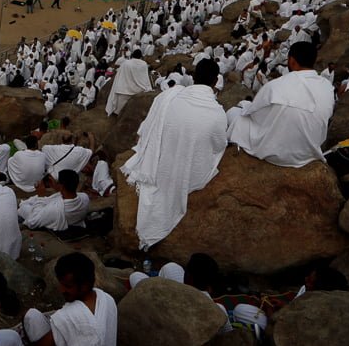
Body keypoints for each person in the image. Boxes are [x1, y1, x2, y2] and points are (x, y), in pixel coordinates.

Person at [120, 59, 228, 249]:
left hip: (161, 161)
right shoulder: (217, 114)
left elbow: (149, 123)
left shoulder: (169, 96)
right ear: (215, 81)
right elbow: (219, 145)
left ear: (193, 77)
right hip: (189, 172)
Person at [23, 253, 117, 346]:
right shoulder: (107, 299)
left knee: (31, 316)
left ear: (84, 285)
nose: (61, 290)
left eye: (67, 286)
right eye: (61, 283)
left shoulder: (68, 316)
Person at [227, 41, 336, 168]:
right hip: (308, 152)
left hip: (277, 154)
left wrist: (245, 105)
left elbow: (252, 114)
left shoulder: (275, 85)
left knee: (234, 113)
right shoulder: (327, 87)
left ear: (292, 61)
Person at [16, 171, 90, 233]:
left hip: (39, 216)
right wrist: (57, 188)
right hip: (53, 210)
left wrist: (40, 195)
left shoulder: (56, 210)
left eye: (58, 182)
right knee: (28, 203)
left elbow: (32, 221)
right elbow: (68, 193)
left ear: (62, 186)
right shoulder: (84, 198)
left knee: (23, 207)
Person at [104, 50, 153, 116]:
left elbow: (120, 75)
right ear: (141, 56)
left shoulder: (126, 63)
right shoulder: (144, 64)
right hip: (138, 90)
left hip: (124, 90)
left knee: (118, 111)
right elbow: (145, 78)